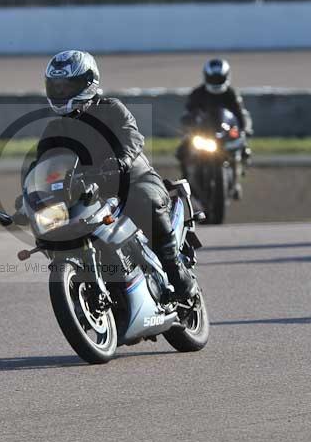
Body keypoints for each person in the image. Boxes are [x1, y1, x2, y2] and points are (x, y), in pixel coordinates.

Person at [33, 49, 196, 299]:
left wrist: (120, 161)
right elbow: (40, 165)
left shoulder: (111, 109)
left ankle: (177, 273)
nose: (60, 93)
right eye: (55, 87)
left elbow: (133, 137)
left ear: (88, 82)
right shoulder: (55, 129)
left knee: (145, 202)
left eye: (66, 87)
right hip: (88, 193)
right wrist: (31, 192)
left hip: (132, 179)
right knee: (56, 226)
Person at [179, 58, 253, 198]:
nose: (216, 81)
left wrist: (245, 129)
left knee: (244, 150)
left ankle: (237, 180)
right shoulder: (198, 94)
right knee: (182, 150)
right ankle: (186, 182)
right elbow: (188, 113)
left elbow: (241, 114)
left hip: (224, 134)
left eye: (218, 78)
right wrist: (187, 124)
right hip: (203, 134)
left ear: (226, 76)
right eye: (213, 78)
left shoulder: (231, 94)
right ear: (206, 77)